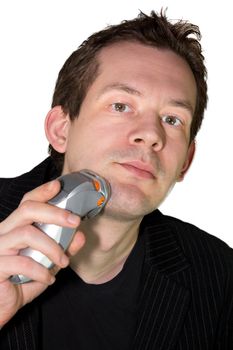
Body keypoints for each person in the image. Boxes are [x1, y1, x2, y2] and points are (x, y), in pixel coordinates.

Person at [0, 9, 232, 350]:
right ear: (60, 129)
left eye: (171, 119)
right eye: (121, 106)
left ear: (186, 160)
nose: (151, 135)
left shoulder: (219, 276)